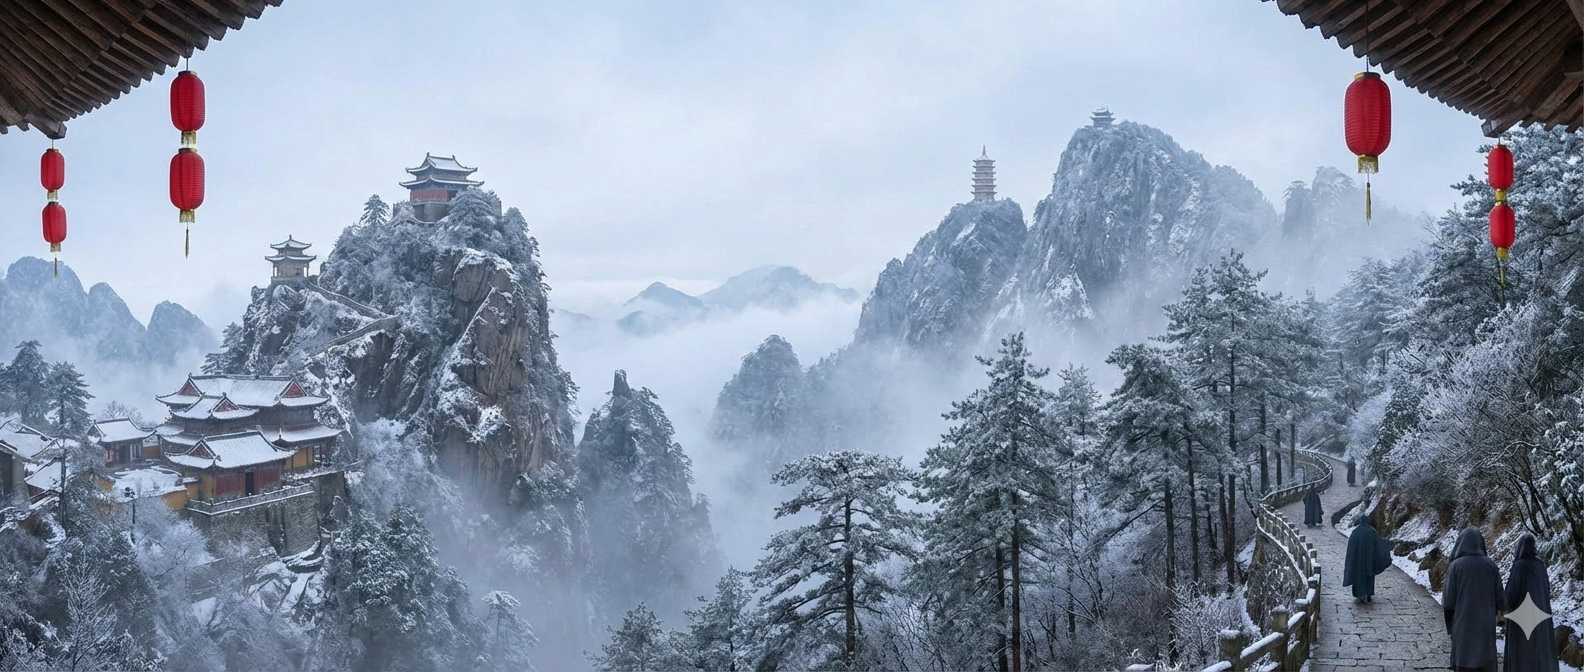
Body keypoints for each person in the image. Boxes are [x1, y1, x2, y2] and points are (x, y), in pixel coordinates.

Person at [1444, 527, 1502, 672]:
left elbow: (1448, 601)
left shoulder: (1455, 566)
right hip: (1485, 629)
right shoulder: (1491, 565)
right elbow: (1501, 600)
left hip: (1463, 629)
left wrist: (1451, 627)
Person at [1503, 533, 1558, 672]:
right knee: (1539, 653)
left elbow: (1510, 596)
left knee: (1522, 656)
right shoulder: (1541, 566)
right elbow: (1546, 591)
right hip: (1541, 617)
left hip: (1521, 620)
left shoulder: (1519, 566)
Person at [1342, 512, 1392, 603]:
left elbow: (1351, 548)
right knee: (1369, 575)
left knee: (1358, 576)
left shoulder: (1355, 532)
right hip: (1369, 559)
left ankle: (1360, 594)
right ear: (1367, 521)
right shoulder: (1371, 531)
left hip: (1357, 560)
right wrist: (1389, 544)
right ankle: (1368, 593)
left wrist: (1351, 559)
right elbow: (1378, 543)